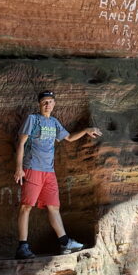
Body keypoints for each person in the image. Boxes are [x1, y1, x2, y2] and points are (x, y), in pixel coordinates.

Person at [14, 90, 102, 260]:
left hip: (49, 172)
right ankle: (22, 247)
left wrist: (86, 130)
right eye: (44, 102)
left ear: (54, 104)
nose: (47, 104)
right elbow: (21, 144)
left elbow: (68, 138)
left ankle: (65, 243)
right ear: (40, 104)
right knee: (26, 206)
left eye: (50, 101)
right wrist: (19, 168)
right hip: (32, 168)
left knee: (53, 206)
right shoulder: (33, 120)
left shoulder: (54, 123)